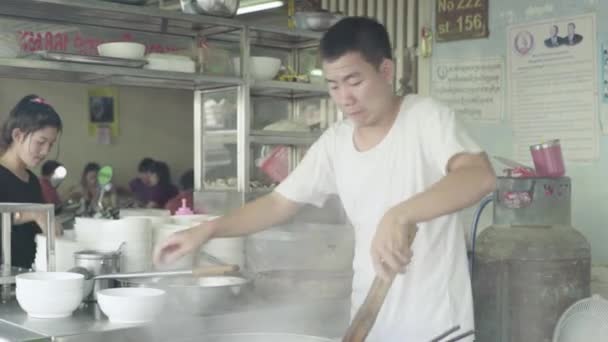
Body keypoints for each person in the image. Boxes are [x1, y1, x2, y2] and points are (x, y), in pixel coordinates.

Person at [154, 17, 496, 341]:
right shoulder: (336, 142)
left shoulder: (426, 119)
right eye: (334, 85)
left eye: (355, 81)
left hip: (435, 324)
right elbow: (278, 203)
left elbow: (478, 176)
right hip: (369, 321)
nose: (345, 98)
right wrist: (207, 230)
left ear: (386, 70)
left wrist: (401, 213)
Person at [0, 95, 63, 269]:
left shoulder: (32, 181)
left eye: (50, 144)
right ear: (18, 135)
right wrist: (33, 213)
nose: (45, 152)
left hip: (26, 277)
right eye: (40, 142)